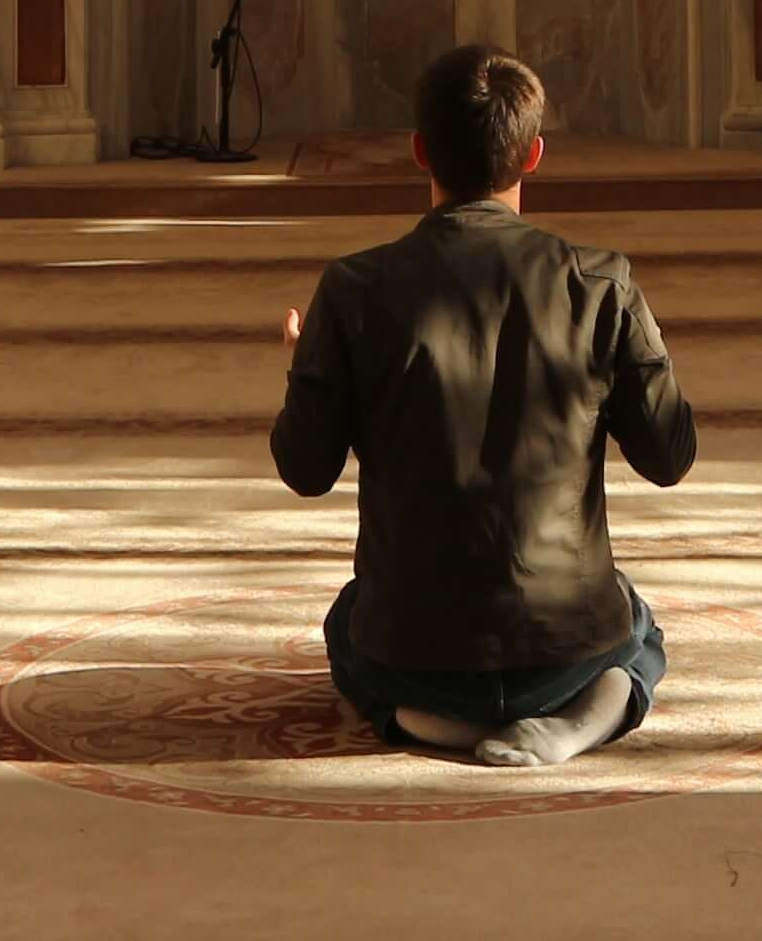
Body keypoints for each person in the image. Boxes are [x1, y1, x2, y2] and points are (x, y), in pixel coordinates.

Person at [271, 44, 696, 769]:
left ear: (417, 151)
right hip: (567, 651)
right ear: (533, 154)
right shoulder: (602, 283)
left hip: (413, 654)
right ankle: (593, 710)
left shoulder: (353, 289)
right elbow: (669, 456)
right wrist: (644, 350)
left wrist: (307, 366)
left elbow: (304, 469)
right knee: (637, 624)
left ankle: (427, 721)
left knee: (349, 620)